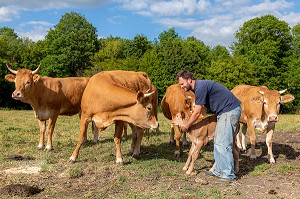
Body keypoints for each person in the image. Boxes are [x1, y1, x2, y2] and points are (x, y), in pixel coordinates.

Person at [177, 70, 241, 183]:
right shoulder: (199, 87)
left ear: (189, 80)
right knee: (218, 142)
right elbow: (201, 110)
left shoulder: (200, 87)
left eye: (182, 84)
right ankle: (218, 169)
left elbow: (197, 113)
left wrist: (187, 125)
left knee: (224, 142)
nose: (181, 86)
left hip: (229, 111)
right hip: (223, 112)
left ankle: (228, 174)